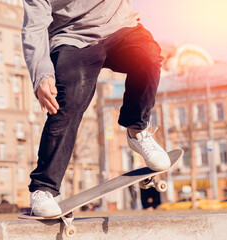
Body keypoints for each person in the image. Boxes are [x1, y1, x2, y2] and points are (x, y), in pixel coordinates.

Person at [22, 0, 171, 217]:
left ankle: (137, 130)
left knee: (148, 56)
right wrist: (42, 75)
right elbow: (34, 28)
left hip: (121, 28)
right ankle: (43, 188)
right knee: (68, 99)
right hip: (71, 37)